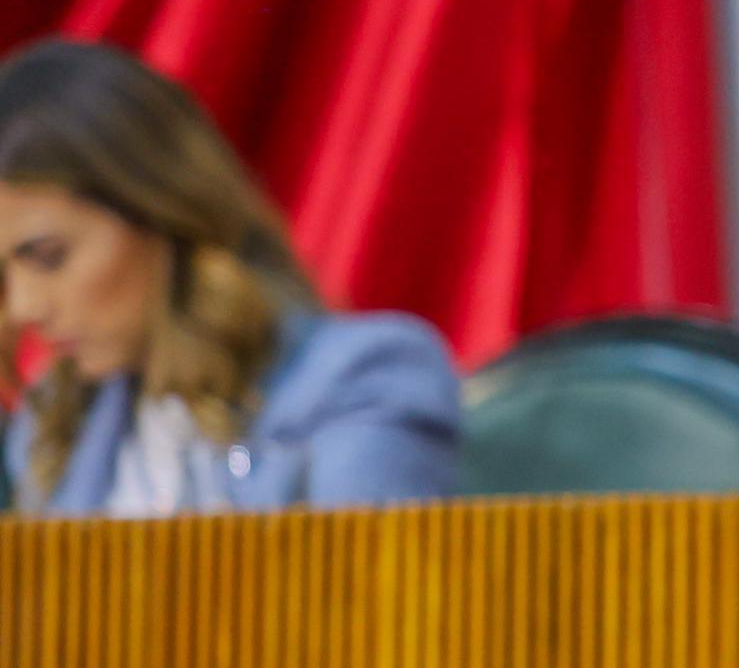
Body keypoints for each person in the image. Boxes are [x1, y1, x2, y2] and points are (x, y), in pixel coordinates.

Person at [0, 40, 459, 515]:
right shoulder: (52, 427)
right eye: (3, 274)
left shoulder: (363, 379)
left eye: (50, 257)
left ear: (162, 210)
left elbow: (365, 588)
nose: (25, 307)